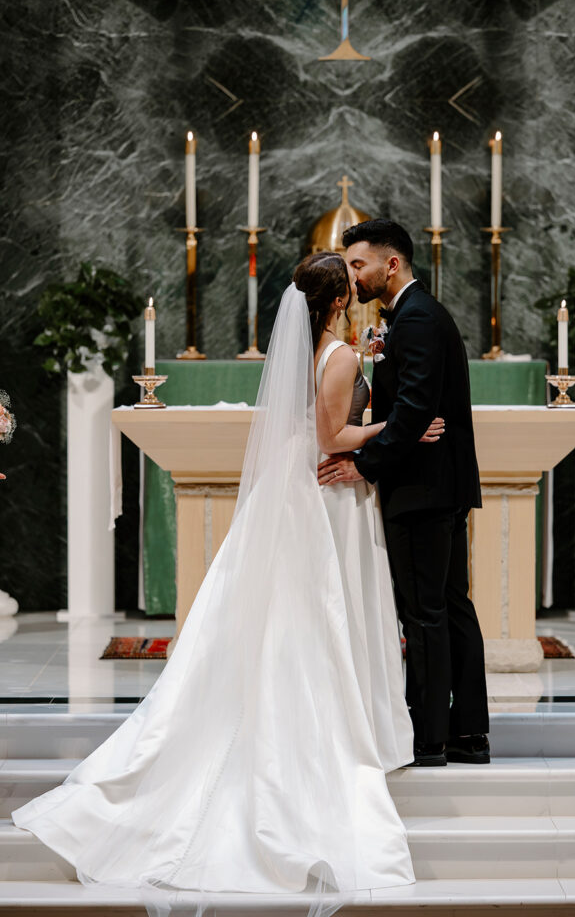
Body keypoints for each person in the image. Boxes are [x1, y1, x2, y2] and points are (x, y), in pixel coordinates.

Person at [13, 254, 428, 912]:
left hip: (287, 486)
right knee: (320, 608)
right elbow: (330, 435)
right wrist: (397, 428)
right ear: (339, 300)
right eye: (351, 288)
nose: (357, 294)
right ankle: (335, 724)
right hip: (322, 492)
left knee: (277, 611)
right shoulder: (342, 355)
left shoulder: (300, 351)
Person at [318, 218, 490, 767]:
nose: (353, 277)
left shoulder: (415, 319)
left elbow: (416, 408)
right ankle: (469, 734)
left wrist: (364, 464)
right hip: (440, 483)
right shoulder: (416, 316)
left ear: (391, 264)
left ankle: (431, 739)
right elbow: (413, 410)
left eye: (359, 265)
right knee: (451, 607)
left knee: (424, 614)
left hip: (420, 488)